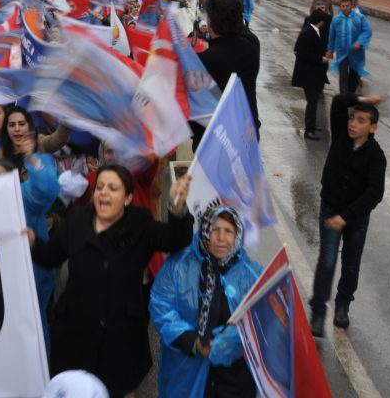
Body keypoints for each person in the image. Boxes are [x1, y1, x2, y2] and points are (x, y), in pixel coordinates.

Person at [26, 164, 194, 397]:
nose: (103, 192)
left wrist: (177, 209)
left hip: (120, 343)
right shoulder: (76, 219)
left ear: (127, 198)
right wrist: (34, 243)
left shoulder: (140, 223)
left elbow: (177, 239)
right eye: (100, 187)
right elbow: (50, 256)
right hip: (75, 338)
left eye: (113, 188)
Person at [150, 205, 261, 398]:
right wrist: (194, 343)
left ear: (238, 236)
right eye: (214, 229)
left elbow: (262, 319)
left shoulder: (252, 273)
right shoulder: (179, 265)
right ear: (204, 231)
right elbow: (161, 305)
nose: (220, 238)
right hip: (187, 374)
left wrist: (233, 340)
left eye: (228, 231)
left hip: (234, 379)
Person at [309, 93, 386, 337]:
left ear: (373, 128)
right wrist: (364, 98)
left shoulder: (376, 156)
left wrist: (347, 216)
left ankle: (343, 305)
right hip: (330, 206)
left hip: (356, 217)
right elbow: (339, 102)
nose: (353, 124)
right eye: (353, 118)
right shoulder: (342, 136)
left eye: (362, 121)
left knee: (351, 265)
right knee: (327, 261)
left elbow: (374, 193)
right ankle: (318, 312)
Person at [0, 133, 60, 347]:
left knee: (33, 328)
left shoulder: (26, 198)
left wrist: (33, 158)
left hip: (32, 276)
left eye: (0, 177)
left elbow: (47, 188)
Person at [196, 0, 261, 135]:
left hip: (219, 140)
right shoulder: (252, 45)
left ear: (209, 21)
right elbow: (241, 29)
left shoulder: (204, 61)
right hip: (248, 132)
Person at [292, 10, 332, 140]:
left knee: (313, 101)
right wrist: (320, 59)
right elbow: (301, 53)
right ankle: (309, 130)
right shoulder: (307, 33)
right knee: (312, 101)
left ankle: (313, 125)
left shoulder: (314, 30)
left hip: (314, 73)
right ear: (321, 22)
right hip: (307, 74)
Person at [325, 0, 372, 95]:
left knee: (354, 75)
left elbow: (367, 31)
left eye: (347, 6)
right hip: (341, 53)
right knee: (343, 75)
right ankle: (343, 96)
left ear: (351, 6)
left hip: (356, 53)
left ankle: (351, 94)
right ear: (340, 7)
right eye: (343, 6)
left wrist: (360, 41)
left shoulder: (360, 18)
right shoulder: (336, 20)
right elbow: (331, 36)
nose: (345, 8)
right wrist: (330, 50)